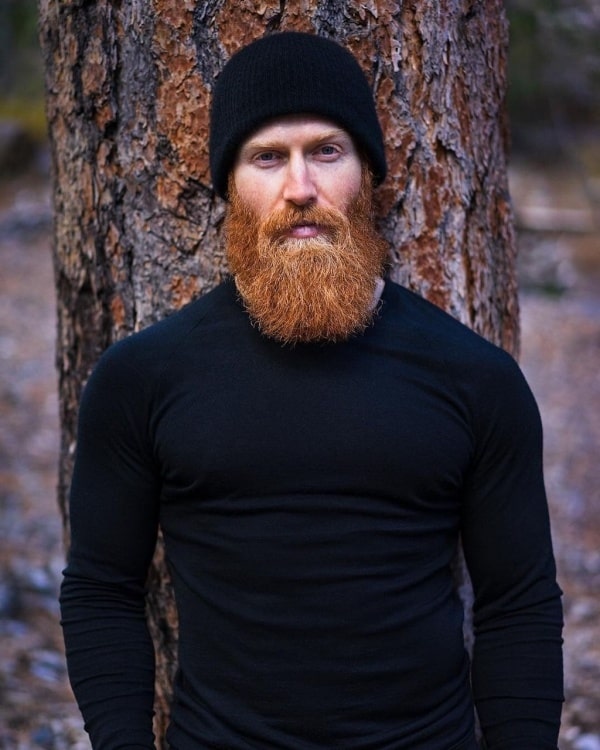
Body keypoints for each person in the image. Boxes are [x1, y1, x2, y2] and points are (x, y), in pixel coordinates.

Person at [60, 31, 563, 750]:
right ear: (231, 184)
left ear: (368, 171)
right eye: (268, 157)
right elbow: (101, 590)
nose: (301, 187)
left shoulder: (474, 379)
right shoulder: (143, 378)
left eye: (327, 150)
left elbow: (519, 606)